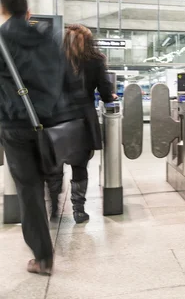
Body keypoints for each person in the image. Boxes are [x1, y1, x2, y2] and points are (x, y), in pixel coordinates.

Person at [0, 0, 84, 275]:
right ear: (29, 11)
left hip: (14, 125)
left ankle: (43, 257)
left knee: (28, 189)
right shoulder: (48, 38)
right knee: (50, 172)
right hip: (50, 124)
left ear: (3, 10)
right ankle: (58, 203)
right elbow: (68, 79)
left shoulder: (1, 39)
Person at [47, 24, 116, 224]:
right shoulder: (96, 60)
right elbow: (105, 93)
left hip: (55, 117)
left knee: (54, 165)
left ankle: (53, 208)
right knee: (80, 165)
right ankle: (79, 210)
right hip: (82, 120)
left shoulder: (53, 59)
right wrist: (110, 96)